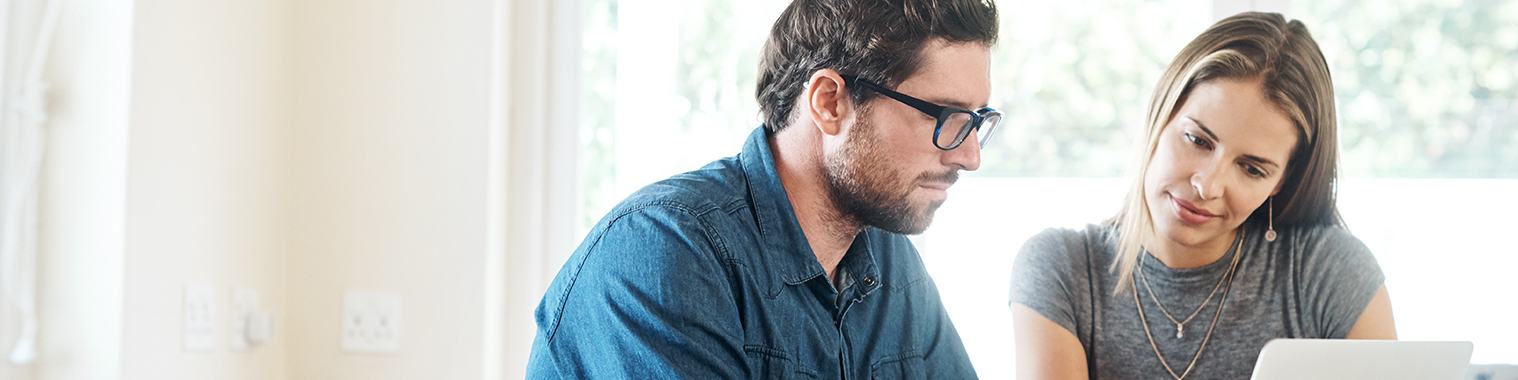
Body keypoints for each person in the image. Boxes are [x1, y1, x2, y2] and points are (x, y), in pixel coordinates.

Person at [526, 0, 1001, 378]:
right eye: (944, 117)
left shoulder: (891, 263)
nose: (969, 155)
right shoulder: (665, 248)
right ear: (829, 103)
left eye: (978, 122)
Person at [1008, 12, 1396, 380]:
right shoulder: (1061, 268)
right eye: (1197, 140)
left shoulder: (1328, 272)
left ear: (1281, 181)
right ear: (1160, 115)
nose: (1207, 186)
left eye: (1252, 169)